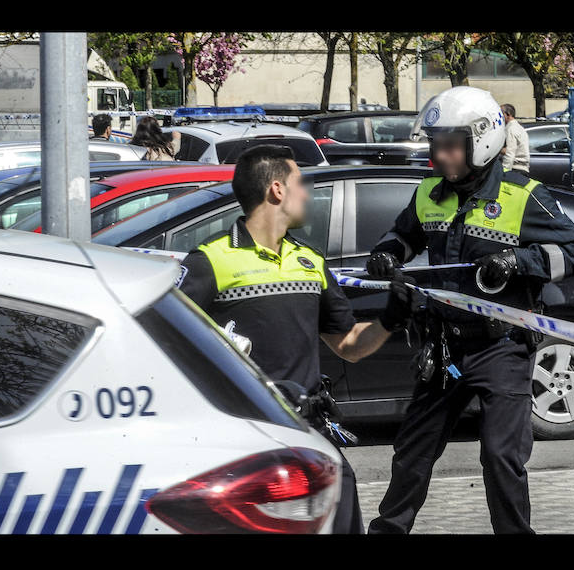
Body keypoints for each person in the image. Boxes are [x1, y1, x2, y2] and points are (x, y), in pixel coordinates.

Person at [365, 86, 574, 534]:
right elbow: (401, 236)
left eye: (450, 145)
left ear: (482, 141)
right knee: (412, 452)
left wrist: (518, 261)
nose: (441, 155)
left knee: (500, 456)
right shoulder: (429, 192)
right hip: (444, 348)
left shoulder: (523, 196)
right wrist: (386, 254)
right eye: (436, 144)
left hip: (502, 347)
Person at [176, 144, 416, 534]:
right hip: (245, 433)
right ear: (277, 190)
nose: (308, 192)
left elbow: (349, 346)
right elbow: (170, 346)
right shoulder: (209, 262)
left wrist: (391, 318)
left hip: (308, 429)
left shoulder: (311, 262)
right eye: (300, 183)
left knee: (343, 500)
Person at [500, 103, 530, 175]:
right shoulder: (519, 128)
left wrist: (504, 172)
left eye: (501, 114)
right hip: (522, 169)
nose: (499, 117)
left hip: (515, 169)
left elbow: (509, 153)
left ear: (508, 114)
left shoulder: (511, 129)